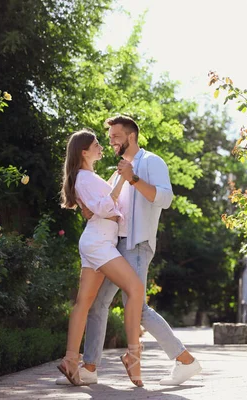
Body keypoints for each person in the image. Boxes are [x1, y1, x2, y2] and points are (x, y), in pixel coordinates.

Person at [57, 115, 201, 386]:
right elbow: (107, 207)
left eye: (115, 136)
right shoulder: (116, 170)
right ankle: (88, 367)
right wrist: (89, 210)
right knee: (97, 304)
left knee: (138, 306)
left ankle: (185, 361)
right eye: (108, 137)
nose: (110, 142)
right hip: (113, 246)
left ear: (131, 137)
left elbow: (165, 198)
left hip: (136, 244)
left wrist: (132, 178)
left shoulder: (150, 162)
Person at [58, 128, 145, 387]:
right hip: (99, 244)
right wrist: (121, 179)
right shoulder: (84, 178)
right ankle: (132, 354)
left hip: (98, 241)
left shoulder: (88, 177)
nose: (100, 146)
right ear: (84, 152)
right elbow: (106, 206)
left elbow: (102, 207)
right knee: (135, 288)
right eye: (96, 143)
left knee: (83, 303)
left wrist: (112, 189)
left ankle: (71, 361)